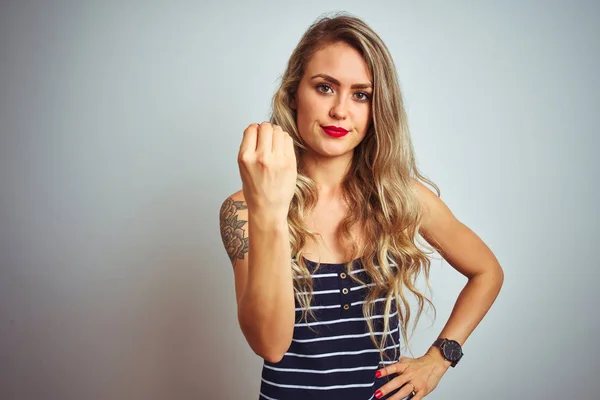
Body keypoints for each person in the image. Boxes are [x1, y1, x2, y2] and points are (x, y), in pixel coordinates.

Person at [219, 12, 504, 400]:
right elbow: (269, 344)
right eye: (324, 88)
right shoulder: (244, 210)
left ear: (376, 108)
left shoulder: (401, 198)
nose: (340, 110)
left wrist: (439, 359)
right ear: (292, 94)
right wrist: (269, 210)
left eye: (360, 94)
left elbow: (487, 271)